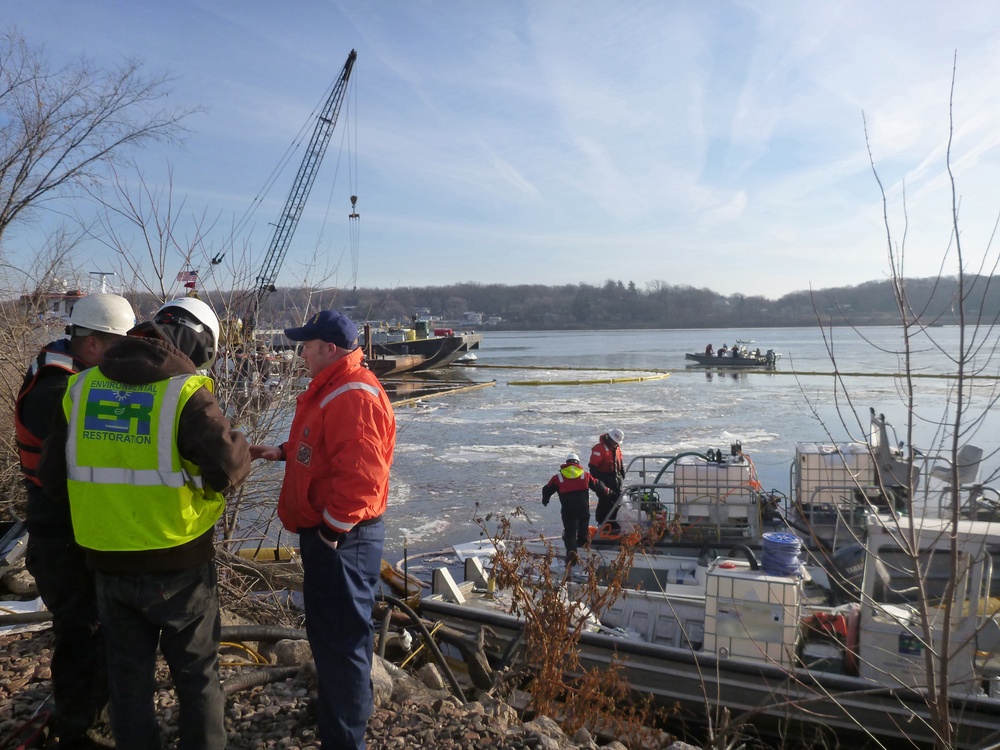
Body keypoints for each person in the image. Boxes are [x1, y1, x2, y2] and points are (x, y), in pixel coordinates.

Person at [41, 296, 251, 750]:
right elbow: (229, 468)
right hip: (179, 565)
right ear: (197, 344)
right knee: (197, 678)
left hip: (107, 563)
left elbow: (54, 481)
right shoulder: (186, 391)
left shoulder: (80, 389)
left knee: (128, 679)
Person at [249, 309, 396, 750]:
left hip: (344, 540)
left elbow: (363, 477)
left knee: (343, 643)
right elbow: (323, 447)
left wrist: (331, 532)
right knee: (332, 638)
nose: (301, 356)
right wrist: (282, 451)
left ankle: (346, 738)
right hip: (333, 537)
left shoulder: (353, 395)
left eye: (306, 348)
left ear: (328, 349)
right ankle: (339, 718)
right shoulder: (333, 390)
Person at [16, 292, 134, 749]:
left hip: (64, 529)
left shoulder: (63, 371)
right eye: (119, 346)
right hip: (61, 534)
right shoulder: (59, 390)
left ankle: (83, 717)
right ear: (94, 345)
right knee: (83, 633)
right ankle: (83, 731)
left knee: (86, 629)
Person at [542, 452, 610, 564]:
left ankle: (572, 560)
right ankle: (584, 551)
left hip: (568, 510)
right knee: (583, 530)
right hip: (583, 509)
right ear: (578, 463)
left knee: (570, 533)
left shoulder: (558, 477)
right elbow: (598, 485)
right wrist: (608, 492)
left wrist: (545, 500)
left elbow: (547, 489)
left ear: (566, 463)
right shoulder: (585, 475)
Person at [589, 428, 626, 530]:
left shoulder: (617, 448)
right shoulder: (599, 449)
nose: (616, 444)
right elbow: (593, 468)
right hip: (604, 480)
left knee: (616, 500)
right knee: (605, 502)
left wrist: (622, 473)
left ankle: (613, 522)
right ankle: (602, 523)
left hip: (616, 480)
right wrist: (600, 482)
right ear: (610, 439)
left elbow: (620, 461)